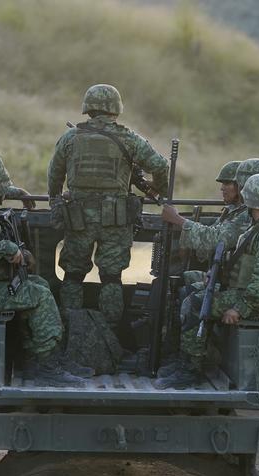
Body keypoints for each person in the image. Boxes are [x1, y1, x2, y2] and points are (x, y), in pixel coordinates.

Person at [0, 152, 89, 386]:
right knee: (39, 295)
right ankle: (48, 368)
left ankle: (33, 360)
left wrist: (18, 193)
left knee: (38, 284)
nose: (1, 193)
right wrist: (7, 248)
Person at [156, 173, 259, 389]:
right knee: (194, 292)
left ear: (252, 201)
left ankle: (190, 370)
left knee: (195, 305)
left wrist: (239, 309)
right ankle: (183, 360)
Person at [47, 84, 169, 324]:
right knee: (111, 277)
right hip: (116, 219)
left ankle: (71, 328)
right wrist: (159, 188)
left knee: (72, 275)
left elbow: (55, 174)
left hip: (78, 217)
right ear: (116, 110)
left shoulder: (70, 138)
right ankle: (111, 332)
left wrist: (55, 201)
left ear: (87, 110)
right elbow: (161, 166)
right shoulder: (128, 138)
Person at [159, 160, 248, 262]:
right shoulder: (233, 211)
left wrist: (178, 220)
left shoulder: (247, 214)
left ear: (242, 186)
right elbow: (206, 250)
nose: (222, 188)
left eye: (227, 183)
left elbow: (216, 239)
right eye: (222, 183)